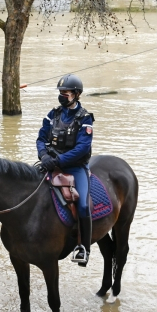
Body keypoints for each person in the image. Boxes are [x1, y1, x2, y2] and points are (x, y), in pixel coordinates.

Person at [36, 74, 95, 266]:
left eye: (66, 93)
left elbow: (82, 148)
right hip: (50, 163)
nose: (62, 96)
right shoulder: (52, 115)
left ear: (76, 94)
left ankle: (84, 248)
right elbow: (40, 139)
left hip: (75, 167)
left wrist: (59, 160)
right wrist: (43, 156)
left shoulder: (85, 118)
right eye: (60, 93)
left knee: (84, 206)